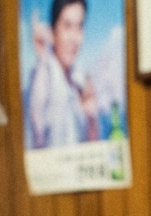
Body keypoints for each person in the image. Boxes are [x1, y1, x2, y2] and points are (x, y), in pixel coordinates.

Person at [25, 0, 100, 149]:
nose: (74, 38)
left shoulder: (78, 83)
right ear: (52, 33)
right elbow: (36, 135)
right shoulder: (43, 75)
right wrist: (42, 58)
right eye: (67, 26)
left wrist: (91, 117)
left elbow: (93, 150)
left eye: (79, 27)